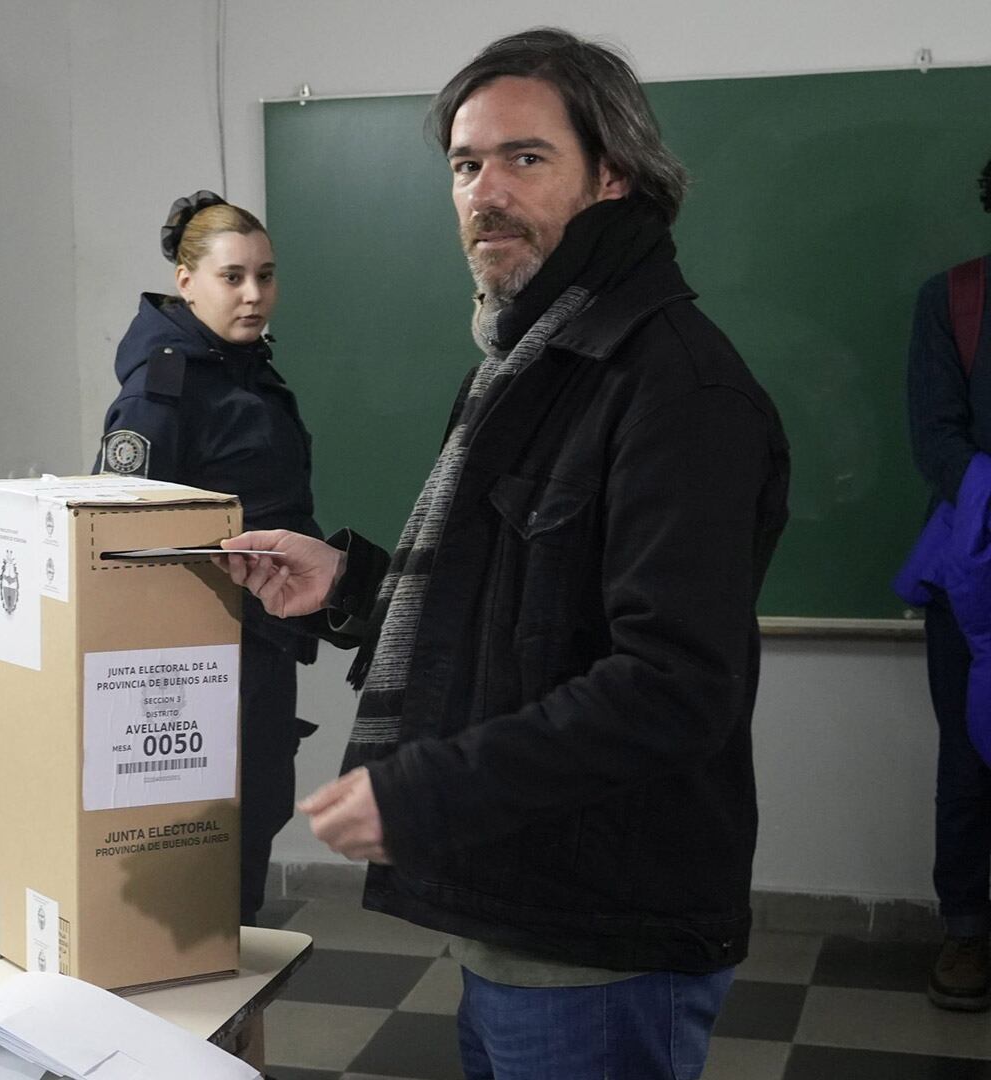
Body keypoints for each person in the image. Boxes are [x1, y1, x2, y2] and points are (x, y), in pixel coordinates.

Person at [219, 28, 790, 1079]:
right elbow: (520, 603)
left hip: (599, 935)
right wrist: (352, 588)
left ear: (614, 176)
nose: (486, 191)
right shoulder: (528, 359)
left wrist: (424, 793)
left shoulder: (674, 390)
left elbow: (672, 687)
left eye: (526, 159)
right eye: (466, 164)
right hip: (520, 909)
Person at [95, 193, 361, 926]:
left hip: (262, 642)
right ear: (186, 281)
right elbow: (122, 545)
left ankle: (231, 1024)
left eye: (266, 276)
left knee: (253, 826)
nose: (254, 295)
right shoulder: (163, 390)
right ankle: (206, 1032)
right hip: (201, 663)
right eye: (233, 277)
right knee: (207, 865)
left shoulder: (243, 369)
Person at [906, 154, 991, 1011]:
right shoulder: (955, 300)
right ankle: (967, 930)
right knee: (969, 758)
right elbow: (936, 438)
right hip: (977, 573)